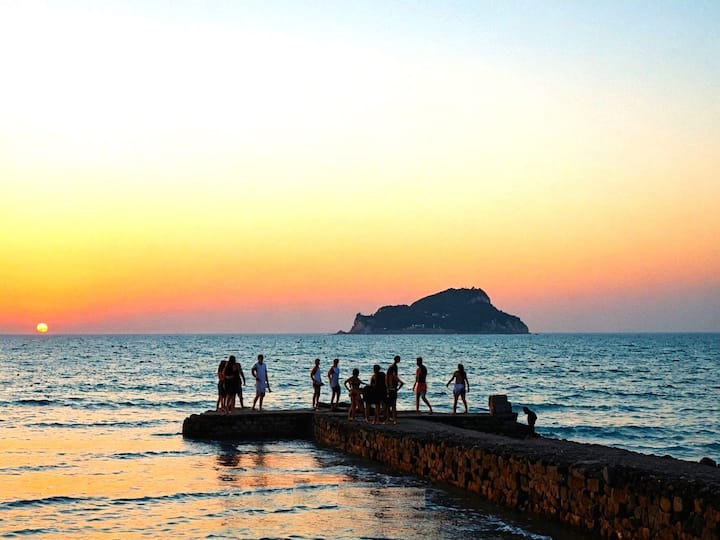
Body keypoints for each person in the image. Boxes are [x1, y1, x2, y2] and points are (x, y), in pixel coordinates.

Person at [386, 357, 405, 424]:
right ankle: (393, 419)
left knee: (389, 405)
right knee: (393, 405)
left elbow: (388, 378)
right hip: (392, 389)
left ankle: (389, 418)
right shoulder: (393, 367)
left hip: (391, 389)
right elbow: (395, 378)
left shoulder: (393, 367)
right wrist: (398, 387)